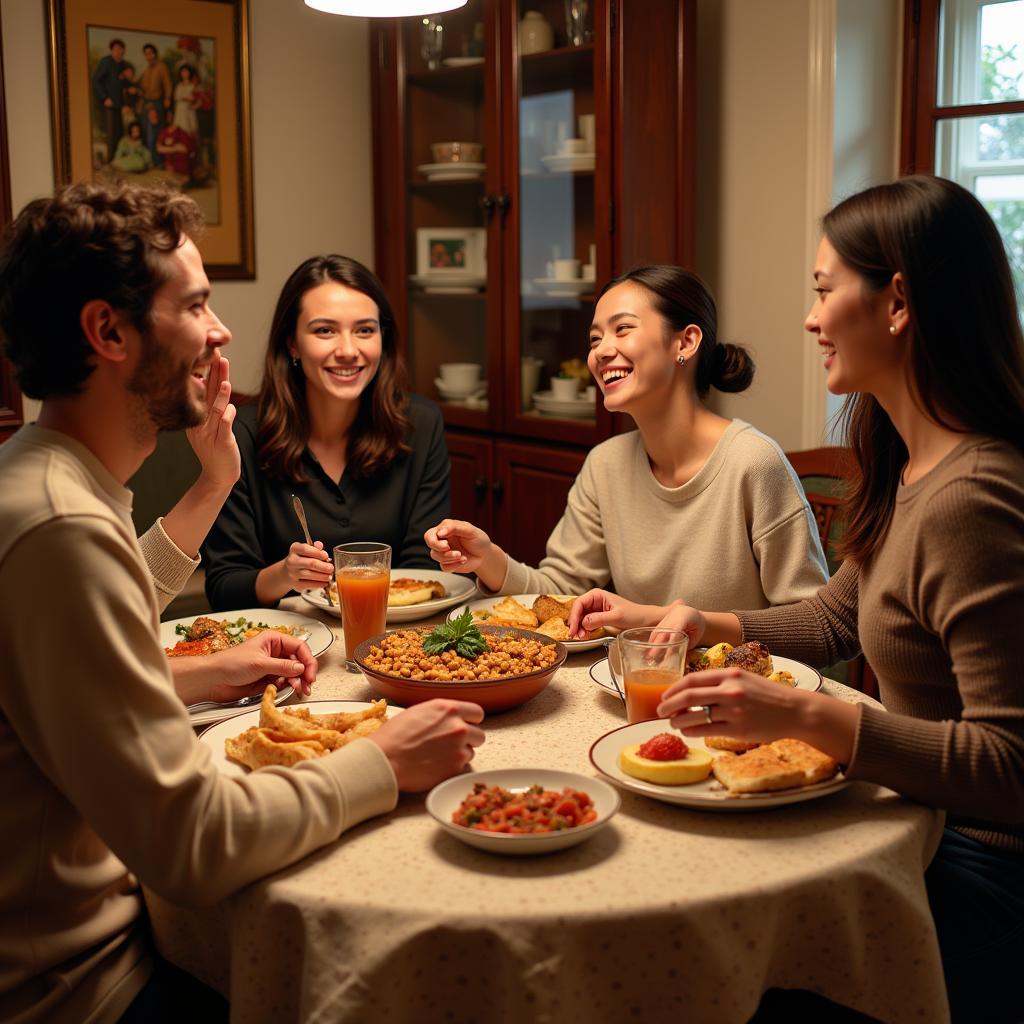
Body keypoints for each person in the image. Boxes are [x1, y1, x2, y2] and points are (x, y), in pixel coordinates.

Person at [0, 180, 485, 1024]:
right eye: (195, 305)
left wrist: (201, 663)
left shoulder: (56, 484)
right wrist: (384, 763)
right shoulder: (57, 525)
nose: (222, 332)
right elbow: (195, 847)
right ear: (108, 331)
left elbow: (101, 635)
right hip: (84, 983)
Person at [570, 177, 1024, 1023]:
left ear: (897, 302)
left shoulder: (974, 496)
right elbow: (834, 618)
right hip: (915, 823)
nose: (812, 320)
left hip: (981, 867)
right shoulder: (905, 459)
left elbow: (1011, 764)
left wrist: (809, 719)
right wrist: (694, 619)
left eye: (824, 291)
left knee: (696, 961)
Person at [425, 265, 828, 610]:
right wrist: (486, 558)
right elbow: (562, 595)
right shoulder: (606, 464)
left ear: (685, 342)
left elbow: (808, 624)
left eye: (622, 330)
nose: (601, 352)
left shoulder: (753, 463)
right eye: (595, 338)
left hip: (740, 692)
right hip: (639, 683)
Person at [201, 255, 450, 610]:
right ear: (292, 344)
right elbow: (225, 589)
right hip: (286, 645)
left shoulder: (421, 425)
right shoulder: (241, 434)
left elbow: (424, 570)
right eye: (325, 330)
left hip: (396, 639)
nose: (348, 351)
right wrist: (285, 574)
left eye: (365, 330)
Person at [91, 37, 127, 164]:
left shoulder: (123, 64)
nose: (119, 51)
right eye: (116, 49)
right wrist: (105, 97)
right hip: (109, 104)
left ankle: (118, 160)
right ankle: (110, 160)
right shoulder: (106, 62)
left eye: (121, 49)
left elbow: (124, 83)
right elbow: (96, 81)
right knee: (111, 133)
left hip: (120, 105)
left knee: (120, 132)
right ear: (112, 50)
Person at [138, 42, 173, 163]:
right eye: (146, 54)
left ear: (155, 54)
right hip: (146, 104)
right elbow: (142, 86)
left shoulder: (162, 67)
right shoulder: (146, 69)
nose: (148, 56)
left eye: (150, 53)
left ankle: (158, 161)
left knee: (155, 133)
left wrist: (167, 98)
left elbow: (168, 84)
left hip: (157, 103)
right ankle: (150, 160)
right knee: (146, 132)